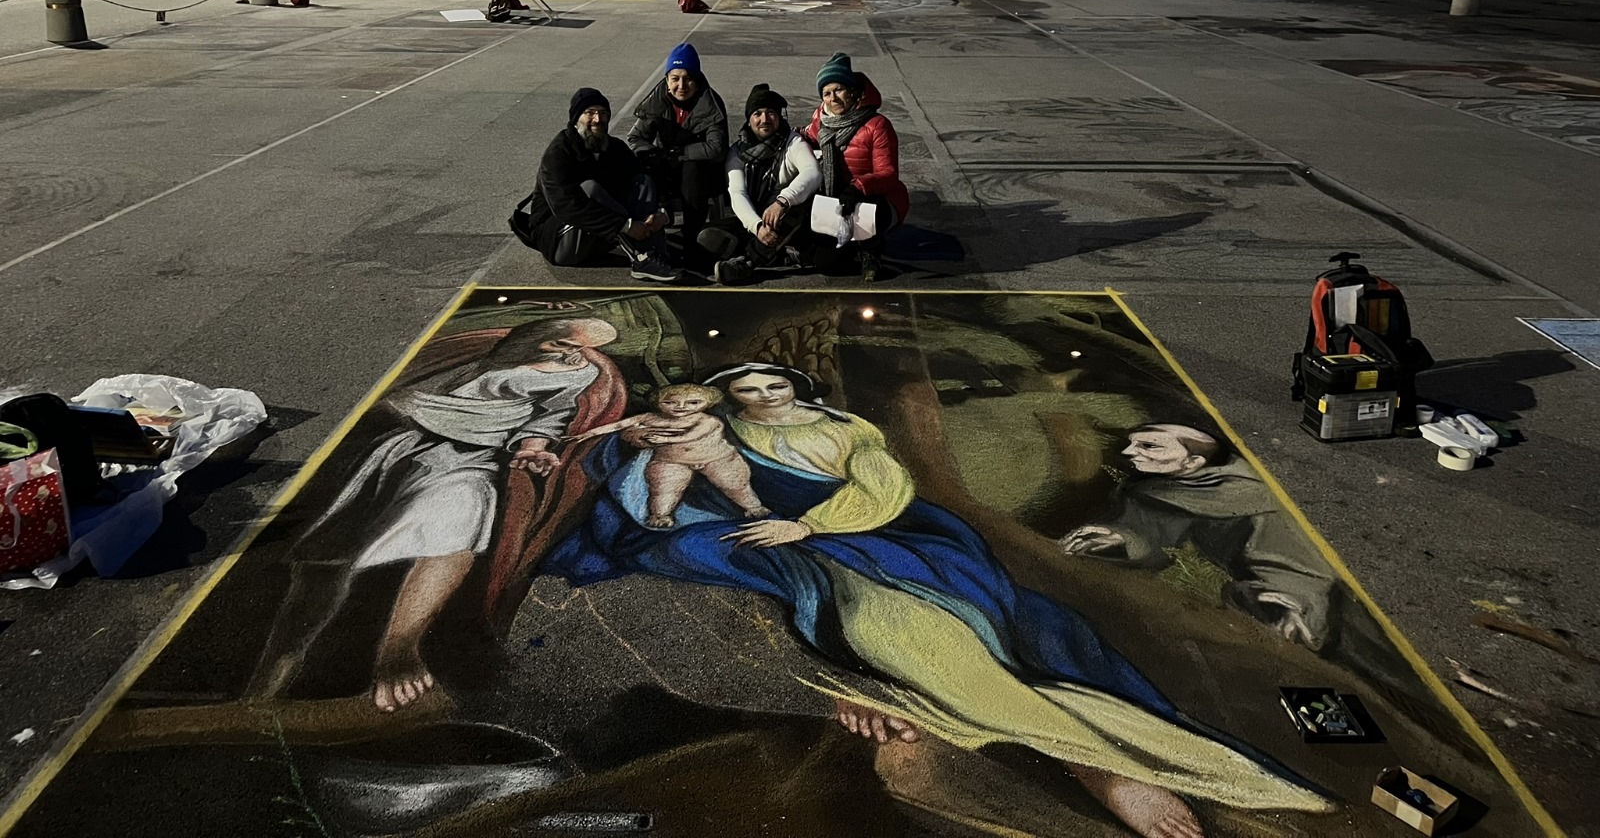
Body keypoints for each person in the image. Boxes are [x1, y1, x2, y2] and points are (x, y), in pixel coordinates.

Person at [546, 364, 1332, 838]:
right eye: (744, 390)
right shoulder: (709, 429)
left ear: (795, 388)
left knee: (953, 628)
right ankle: (1090, 762)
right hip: (784, 554)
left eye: (772, 385)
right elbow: (649, 468)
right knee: (879, 633)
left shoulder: (845, 431)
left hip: (867, 537)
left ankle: (1100, 762)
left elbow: (884, 491)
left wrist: (806, 524)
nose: (759, 396)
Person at [249, 317, 627, 713]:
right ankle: (272, 674)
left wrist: (532, 448)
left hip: (472, 459)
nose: (584, 356)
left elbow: (551, 417)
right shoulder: (480, 355)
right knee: (325, 568)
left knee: (463, 514)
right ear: (551, 342)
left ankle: (399, 649)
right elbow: (409, 389)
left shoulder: (579, 375)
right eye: (577, 345)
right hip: (403, 447)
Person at [1060, 424, 1338, 650]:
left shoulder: (1256, 496)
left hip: (1290, 604)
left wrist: (1293, 601)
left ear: (1193, 461)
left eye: (1149, 446)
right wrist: (1121, 537)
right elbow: (1157, 533)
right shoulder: (1160, 488)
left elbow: (1293, 563)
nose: (1129, 451)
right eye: (1133, 443)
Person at [517, 87, 679, 283]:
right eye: (590, 113)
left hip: (601, 236)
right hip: (560, 243)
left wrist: (663, 212)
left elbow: (646, 176)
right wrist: (625, 226)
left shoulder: (614, 147)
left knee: (642, 181)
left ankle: (654, 254)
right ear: (576, 118)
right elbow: (567, 207)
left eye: (603, 113)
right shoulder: (558, 154)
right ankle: (641, 258)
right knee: (589, 189)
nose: (598, 119)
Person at [570, 383, 769, 530]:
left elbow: (691, 435)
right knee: (663, 487)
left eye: (693, 402)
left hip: (717, 458)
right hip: (671, 460)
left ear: (707, 403)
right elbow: (619, 425)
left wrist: (663, 439)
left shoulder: (708, 420)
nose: (681, 407)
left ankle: (753, 507)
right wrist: (589, 433)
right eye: (670, 402)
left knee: (735, 484)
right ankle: (661, 516)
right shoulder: (649, 418)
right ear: (658, 403)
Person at [696, 83, 820, 285]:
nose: (764, 119)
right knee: (706, 237)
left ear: (779, 116)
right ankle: (780, 254)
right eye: (757, 114)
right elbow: (737, 193)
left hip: (786, 220)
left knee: (797, 206)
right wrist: (757, 226)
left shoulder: (793, 142)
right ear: (749, 119)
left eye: (771, 112)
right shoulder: (738, 151)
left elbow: (812, 172)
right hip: (757, 220)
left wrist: (783, 201)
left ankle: (747, 263)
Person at [804, 53, 909, 282]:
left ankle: (871, 248)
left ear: (852, 91)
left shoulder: (877, 125)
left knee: (867, 211)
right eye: (826, 93)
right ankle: (848, 245)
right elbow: (807, 137)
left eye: (839, 90)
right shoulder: (821, 120)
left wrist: (858, 187)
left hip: (877, 198)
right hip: (839, 199)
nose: (833, 98)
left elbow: (888, 174)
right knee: (826, 264)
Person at [627, 43, 729, 267]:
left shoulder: (710, 103)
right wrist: (654, 154)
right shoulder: (658, 100)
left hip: (703, 173)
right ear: (667, 80)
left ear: (697, 80)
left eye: (688, 79)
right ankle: (651, 235)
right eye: (675, 79)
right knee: (645, 164)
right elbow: (635, 138)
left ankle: (692, 241)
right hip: (667, 167)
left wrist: (681, 153)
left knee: (692, 169)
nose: (681, 86)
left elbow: (716, 147)